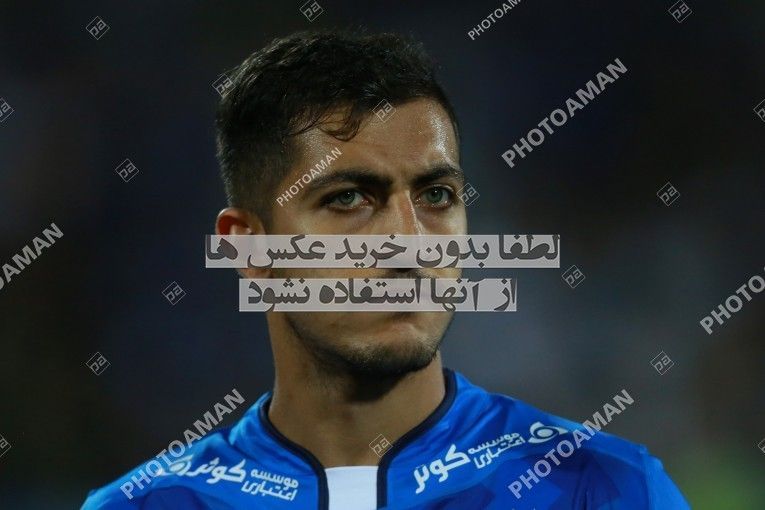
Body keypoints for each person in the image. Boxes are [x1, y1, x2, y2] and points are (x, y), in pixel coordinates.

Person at [82, 29, 690, 509]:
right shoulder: (148, 504)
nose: (410, 244)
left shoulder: (603, 487)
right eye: (349, 198)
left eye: (436, 196)